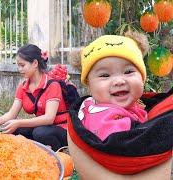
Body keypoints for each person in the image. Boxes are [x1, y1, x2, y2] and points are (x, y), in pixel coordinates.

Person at [67, 32, 172, 178]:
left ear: (142, 78)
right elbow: (129, 149)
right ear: (89, 86)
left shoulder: (107, 103)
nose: (118, 81)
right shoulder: (105, 118)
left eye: (128, 72)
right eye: (105, 75)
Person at [0, 44, 72, 151]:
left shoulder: (52, 85)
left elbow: (49, 118)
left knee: (39, 133)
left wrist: (19, 122)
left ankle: (58, 155)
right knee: (11, 129)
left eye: (22, 65)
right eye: (18, 65)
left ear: (35, 63)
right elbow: (12, 114)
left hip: (61, 129)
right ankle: (33, 152)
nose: (19, 69)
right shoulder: (23, 86)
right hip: (41, 127)